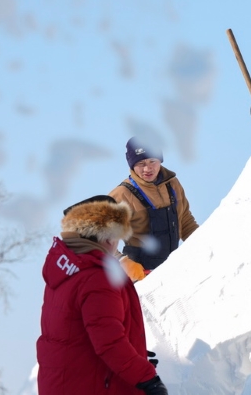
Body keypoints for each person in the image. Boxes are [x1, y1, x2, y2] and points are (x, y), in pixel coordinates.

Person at [36, 195, 168, 394]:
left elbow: (82, 331)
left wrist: (134, 349)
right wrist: (147, 378)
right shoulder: (97, 277)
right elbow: (109, 342)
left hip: (64, 383)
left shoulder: (68, 268)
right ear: (107, 236)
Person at [109, 137, 199, 281]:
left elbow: (185, 220)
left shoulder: (172, 184)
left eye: (152, 161)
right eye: (140, 163)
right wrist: (123, 263)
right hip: (139, 276)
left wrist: (202, 246)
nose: (147, 168)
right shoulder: (121, 195)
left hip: (172, 269)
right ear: (132, 165)